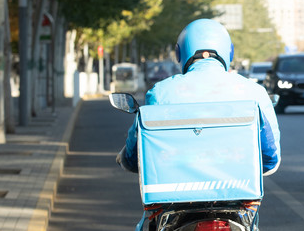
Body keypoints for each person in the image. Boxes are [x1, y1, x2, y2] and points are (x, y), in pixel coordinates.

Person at [117, 18, 281, 176]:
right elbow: (271, 158)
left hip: (173, 190)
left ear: (179, 53)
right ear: (229, 52)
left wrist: (126, 159)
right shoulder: (255, 91)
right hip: (240, 190)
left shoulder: (160, 92)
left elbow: (138, 148)